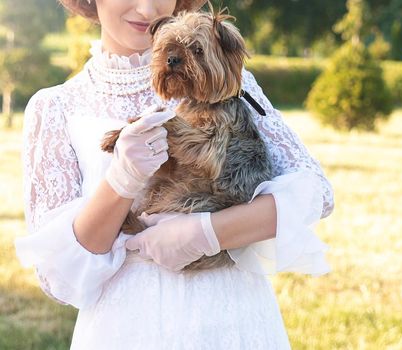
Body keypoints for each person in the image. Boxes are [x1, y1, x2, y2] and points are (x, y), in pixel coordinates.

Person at [13, 0, 334, 348]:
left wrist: (208, 233)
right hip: (124, 328)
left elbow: (317, 194)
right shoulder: (56, 106)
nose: (148, 8)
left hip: (230, 319)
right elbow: (59, 277)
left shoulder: (226, 80)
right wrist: (121, 180)